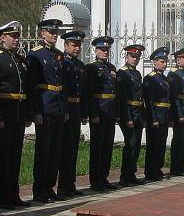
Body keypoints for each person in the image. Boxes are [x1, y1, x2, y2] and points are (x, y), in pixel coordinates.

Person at [0, 20, 32, 209]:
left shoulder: (20, 60)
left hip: (18, 114)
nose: (16, 40)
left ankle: (14, 195)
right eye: (12, 36)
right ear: (3, 37)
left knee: (15, 157)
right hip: (3, 113)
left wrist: (27, 114)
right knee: (3, 158)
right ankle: (3, 198)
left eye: (18, 36)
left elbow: (25, 89)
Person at [28, 18, 68, 203]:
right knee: (43, 150)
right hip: (44, 107)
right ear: (42, 33)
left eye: (56, 32)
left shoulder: (59, 55)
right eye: (50, 32)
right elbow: (32, 85)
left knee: (56, 151)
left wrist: (65, 108)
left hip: (58, 107)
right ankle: (39, 190)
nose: (54, 34)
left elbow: (63, 85)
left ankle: (50, 187)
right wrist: (35, 111)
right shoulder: (35, 55)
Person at [83, 36, 119, 191]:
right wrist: (93, 114)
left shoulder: (111, 68)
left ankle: (103, 177)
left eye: (107, 50)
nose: (105, 52)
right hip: (99, 111)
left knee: (107, 147)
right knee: (97, 148)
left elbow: (114, 92)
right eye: (102, 50)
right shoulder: (91, 68)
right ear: (95, 50)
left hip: (110, 112)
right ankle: (95, 180)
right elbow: (89, 93)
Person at [57, 30, 87, 198]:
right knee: (64, 150)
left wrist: (83, 112)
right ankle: (62, 186)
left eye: (79, 45)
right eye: (73, 45)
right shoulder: (62, 63)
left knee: (73, 149)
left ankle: (70, 184)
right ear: (66, 45)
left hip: (76, 110)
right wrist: (65, 110)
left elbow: (82, 92)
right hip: (66, 109)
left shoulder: (80, 66)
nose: (77, 48)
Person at [117, 44, 146, 187]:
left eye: (137, 57)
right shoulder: (122, 73)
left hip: (138, 113)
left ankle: (131, 173)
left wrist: (143, 116)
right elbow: (122, 98)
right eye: (133, 56)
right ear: (126, 56)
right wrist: (127, 117)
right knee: (130, 144)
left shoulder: (137, 74)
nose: (135, 59)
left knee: (137, 145)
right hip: (128, 113)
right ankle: (124, 176)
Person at [142, 47, 171, 182]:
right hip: (155, 116)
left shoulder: (164, 79)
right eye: (161, 61)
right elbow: (149, 101)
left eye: (165, 61)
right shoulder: (150, 79)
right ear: (154, 62)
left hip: (164, 116)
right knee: (153, 145)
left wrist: (169, 118)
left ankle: (157, 169)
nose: (164, 64)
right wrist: (153, 118)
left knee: (161, 144)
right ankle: (150, 171)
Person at [167, 46, 184, 176]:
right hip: (180, 113)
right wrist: (179, 114)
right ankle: (175, 168)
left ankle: (181, 166)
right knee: (178, 140)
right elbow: (174, 97)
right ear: (178, 60)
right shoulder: (174, 75)